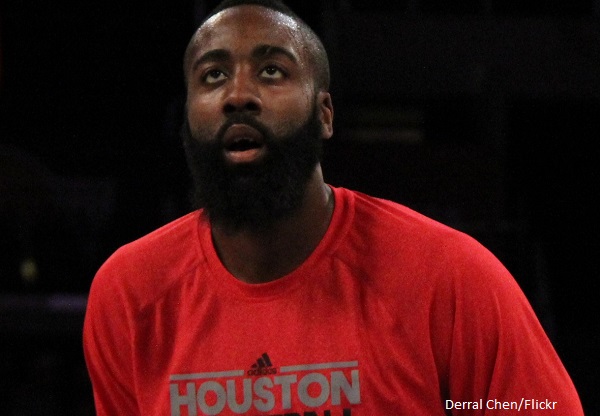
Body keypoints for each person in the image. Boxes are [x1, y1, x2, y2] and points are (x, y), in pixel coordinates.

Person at [83, 0, 584, 414]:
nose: (238, 95)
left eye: (271, 71)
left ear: (324, 114)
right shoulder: (129, 294)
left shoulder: (447, 277)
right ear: (187, 119)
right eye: (213, 76)